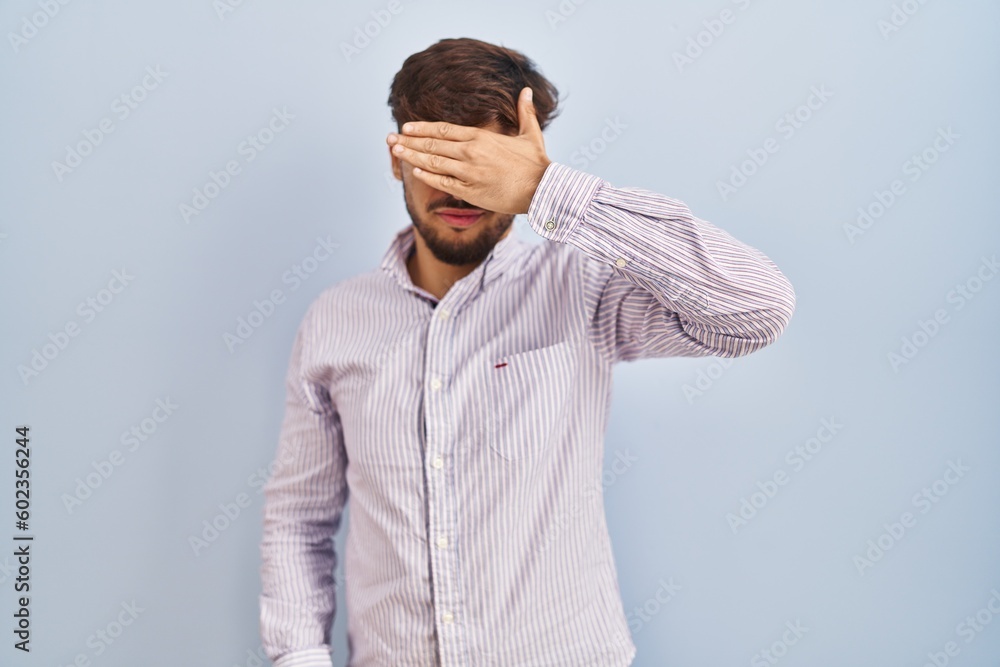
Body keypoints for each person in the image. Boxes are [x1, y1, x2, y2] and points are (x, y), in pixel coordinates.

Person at [259, 37, 795, 667]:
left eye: (482, 164)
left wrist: (549, 190)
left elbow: (757, 310)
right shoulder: (335, 321)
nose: (460, 191)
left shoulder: (583, 288)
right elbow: (299, 517)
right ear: (397, 158)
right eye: (440, 156)